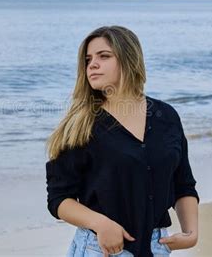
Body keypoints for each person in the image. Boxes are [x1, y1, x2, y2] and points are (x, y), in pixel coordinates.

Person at [45, 25, 199, 257]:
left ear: (129, 59)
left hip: (157, 247)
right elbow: (59, 199)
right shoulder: (80, 124)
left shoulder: (165, 116)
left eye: (104, 56)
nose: (92, 65)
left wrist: (191, 232)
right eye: (88, 59)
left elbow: (182, 183)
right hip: (101, 248)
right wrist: (100, 223)